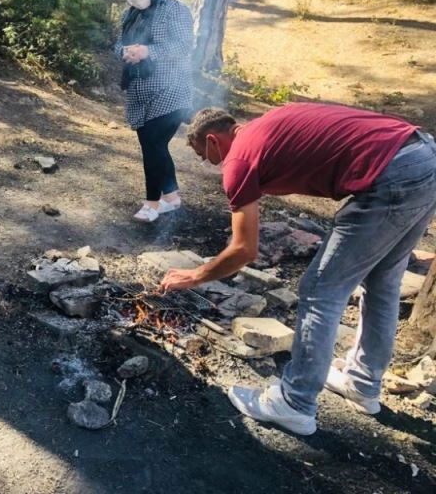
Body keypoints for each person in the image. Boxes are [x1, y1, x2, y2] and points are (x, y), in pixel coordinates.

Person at [160, 103, 436, 436]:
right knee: (383, 283)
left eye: (202, 154)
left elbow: (244, 249)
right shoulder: (267, 126)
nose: (207, 163)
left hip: (391, 174)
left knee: (320, 291)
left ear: (213, 140)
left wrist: (196, 275)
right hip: (422, 155)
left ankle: (294, 402)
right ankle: (363, 384)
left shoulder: (238, 159)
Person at [114, 0, 194, 223]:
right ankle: (171, 197)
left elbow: (183, 46)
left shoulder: (174, 9)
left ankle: (151, 204)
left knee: (153, 144)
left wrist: (149, 52)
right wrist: (125, 52)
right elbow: (117, 45)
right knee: (154, 146)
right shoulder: (131, 14)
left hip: (171, 88)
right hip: (140, 92)